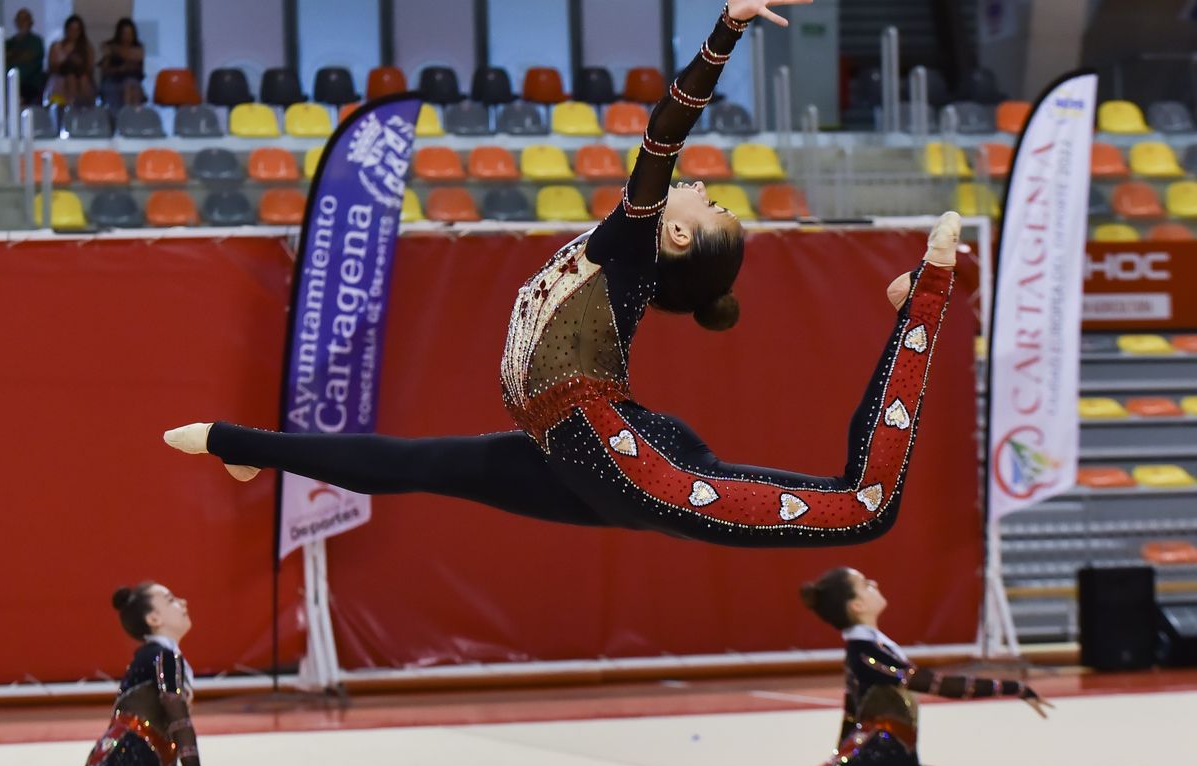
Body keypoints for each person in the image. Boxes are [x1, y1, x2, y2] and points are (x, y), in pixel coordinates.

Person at [164, 0, 959, 549]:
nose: (697, 187)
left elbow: (664, 133)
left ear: (677, 233)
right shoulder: (623, 251)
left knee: (866, 507)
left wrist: (726, 29)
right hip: (581, 447)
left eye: (706, 202)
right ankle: (242, 445)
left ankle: (922, 298)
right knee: (415, 466)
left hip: (619, 452)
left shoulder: (633, 245)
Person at [714, 567, 1145, 766]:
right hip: (877, 764)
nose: (876, 582)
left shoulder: (868, 647)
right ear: (859, 604)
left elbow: (852, 708)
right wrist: (1011, 688)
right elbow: (934, 684)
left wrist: (838, 754)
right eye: (867, 582)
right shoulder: (867, 653)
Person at [44, 581, 400, 766]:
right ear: (153, 619)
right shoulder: (160, 654)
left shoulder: (162, 656)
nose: (181, 601)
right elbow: (176, 714)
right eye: (169, 599)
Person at [46, 14, 95, 106]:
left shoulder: (86, 48)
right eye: (71, 29)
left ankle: (80, 107)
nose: (74, 32)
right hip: (60, 77)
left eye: (77, 30)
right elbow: (51, 67)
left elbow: (90, 68)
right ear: (66, 29)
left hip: (81, 77)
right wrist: (66, 62)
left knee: (83, 80)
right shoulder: (57, 46)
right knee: (69, 78)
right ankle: (70, 107)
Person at [98, 17, 145, 108]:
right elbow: (105, 69)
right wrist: (119, 68)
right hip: (113, 80)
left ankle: (131, 115)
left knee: (131, 85)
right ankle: (125, 116)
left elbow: (136, 58)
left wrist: (115, 50)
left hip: (132, 81)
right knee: (127, 86)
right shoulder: (109, 47)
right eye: (125, 33)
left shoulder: (138, 47)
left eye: (130, 33)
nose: (127, 37)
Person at [5, 7, 45, 106]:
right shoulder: (8, 43)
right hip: (7, 84)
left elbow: (31, 60)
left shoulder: (36, 41)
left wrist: (12, 56)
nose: (22, 22)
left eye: (25, 19)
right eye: (20, 19)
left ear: (31, 22)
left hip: (29, 85)